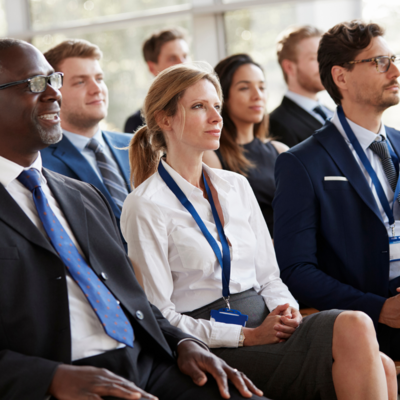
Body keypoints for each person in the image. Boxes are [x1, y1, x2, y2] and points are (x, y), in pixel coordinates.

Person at [0, 38, 268, 400]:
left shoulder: (81, 196)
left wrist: (183, 342)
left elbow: (134, 299)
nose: (53, 94)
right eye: (34, 84)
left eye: (55, 80)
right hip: (64, 378)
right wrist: (49, 378)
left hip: (148, 361)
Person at [121, 62, 397, 400]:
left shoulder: (236, 185)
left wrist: (286, 309)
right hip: (214, 344)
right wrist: (246, 336)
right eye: (198, 107)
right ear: (165, 119)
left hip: (267, 323)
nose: (216, 117)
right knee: (355, 325)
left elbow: (269, 277)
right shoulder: (145, 204)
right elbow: (159, 316)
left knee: (382, 363)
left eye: (217, 106)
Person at [273, 19, 400, 364]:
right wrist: (381, 309)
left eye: (393, 58)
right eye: (379, 62)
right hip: (369, 327)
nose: (395, 70)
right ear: (340, 76)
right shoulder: (301, 163)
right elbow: (296, 270)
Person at [40, 39, 131, 246]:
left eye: (99, 78)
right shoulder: (39, 163)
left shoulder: (139, 145)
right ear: (53, 92)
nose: (96, 89)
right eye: (80, 82)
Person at [203, 54, 287, 237]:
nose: (258, 96)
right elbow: (222, 226)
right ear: (222, 97)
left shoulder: (280, 150)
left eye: (262, 87)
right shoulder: (212, 156)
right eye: (244, 88)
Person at [269, 25, 333, 147]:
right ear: (289, 67)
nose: (324, 65)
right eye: (315, 58)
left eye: (325, 57)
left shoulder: (333, 113)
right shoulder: (276, 123)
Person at [124, 27, 189, 134]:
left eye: (185, 56)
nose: (184, 64)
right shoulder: (137, 123)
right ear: (152, 68)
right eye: (172, 58)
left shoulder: (212, 110)